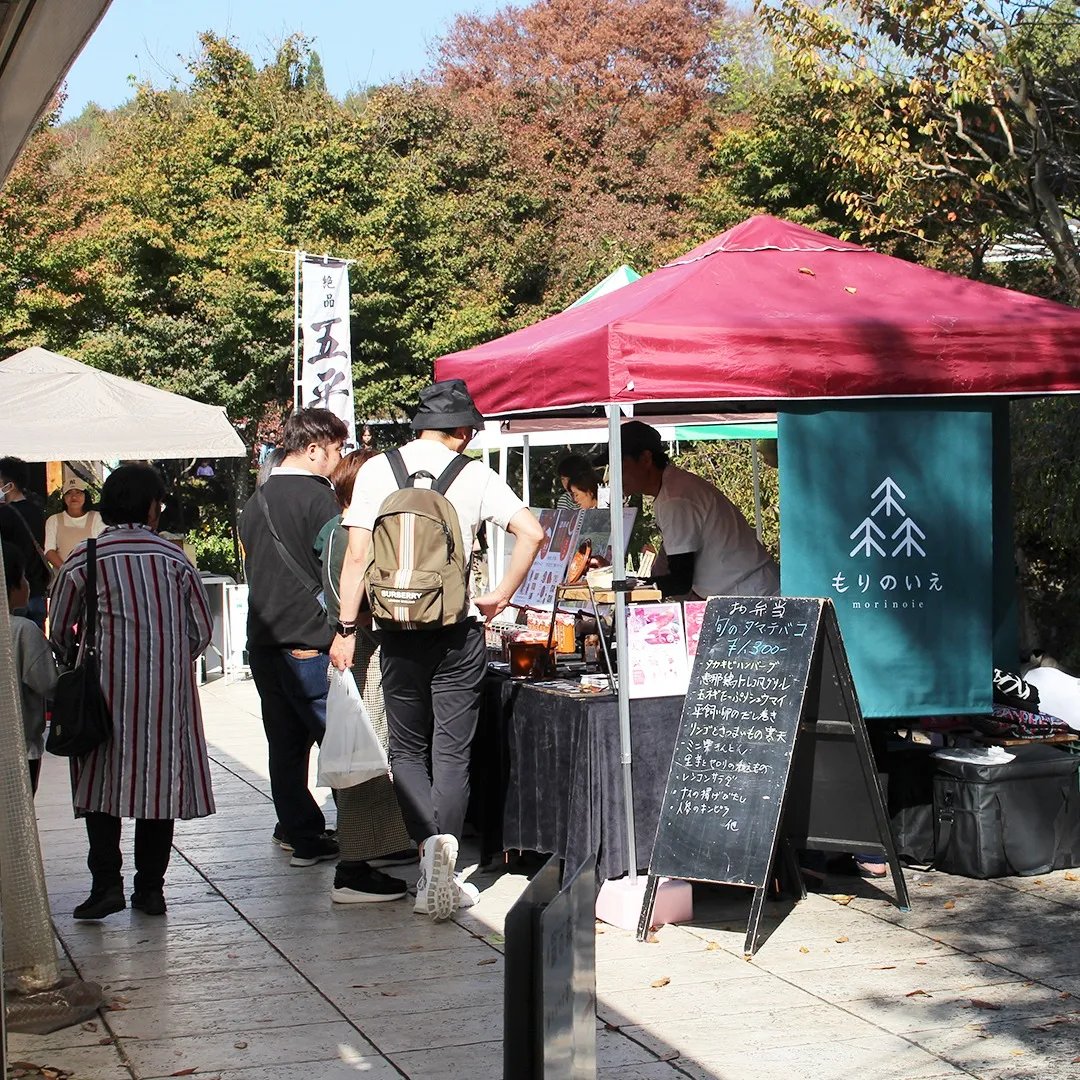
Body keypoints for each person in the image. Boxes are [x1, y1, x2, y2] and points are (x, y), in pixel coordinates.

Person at [331, 379, 545, 922]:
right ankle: (443, 872)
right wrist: (500, 595)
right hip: (457, 629)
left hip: (395, 628)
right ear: (462, 429)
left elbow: (356, 556)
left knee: (405, 750)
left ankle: (426, 856)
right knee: (452, 751)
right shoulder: (473, 475)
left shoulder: (378, 469)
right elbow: (533, 533)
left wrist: (346, 625)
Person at [50, 465, 215, 919]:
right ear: (151, 509)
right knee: (157, 790)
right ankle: (150, 890)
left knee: (100, 789)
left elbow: (61, 629)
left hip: (100, 697)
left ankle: (106, 886)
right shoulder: (176, 559)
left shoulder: (86, 558)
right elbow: (200, 632)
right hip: (165, 698)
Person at [238, 409, 347, 869]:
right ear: (313, 448)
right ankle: (367, 837)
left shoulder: (255, 501)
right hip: (309, 640)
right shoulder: (319, 500)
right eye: (337, 449)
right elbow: (339, 569)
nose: (339, 459)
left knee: (284, 745)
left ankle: (299, 834)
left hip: (265, 642)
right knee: (340, 743)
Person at [317, 451, 412, 903]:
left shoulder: (334, 531)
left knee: (367, 755)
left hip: (354, 648)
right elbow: (352, 592)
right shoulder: (351, 535)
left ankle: (369, 852)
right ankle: (353, 868)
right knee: (367, 758)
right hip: (363, 649)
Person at [619, 421, 779, 599]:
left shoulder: (675, 498)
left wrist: (628, 587)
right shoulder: (672, 489)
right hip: (744, 592)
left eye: (621, 464)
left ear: (646, 459)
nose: (616, 474)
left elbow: (680, 580)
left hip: (750, 594)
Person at [4, 541, 57, 794]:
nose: (28, 583)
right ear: (10, 584)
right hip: (20, 749)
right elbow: (49, 684)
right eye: (24, 576)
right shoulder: (23, 631)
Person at [0, 457, 49, 630]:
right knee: (35, 646)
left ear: (9, 486)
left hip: (11, 594)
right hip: (37, 591)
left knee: (12, 651)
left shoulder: (4, 514)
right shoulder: (36, 510)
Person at [44, 476, 104, 568]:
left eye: (78, 492)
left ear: (85, 495)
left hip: (91, 576)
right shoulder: (53, 520)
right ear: (64, 498)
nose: (74, 497)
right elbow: (49, 551)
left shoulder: (97, 518)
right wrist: (67, 572)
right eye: (69, 493)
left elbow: (103, 548)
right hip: (63, 577)